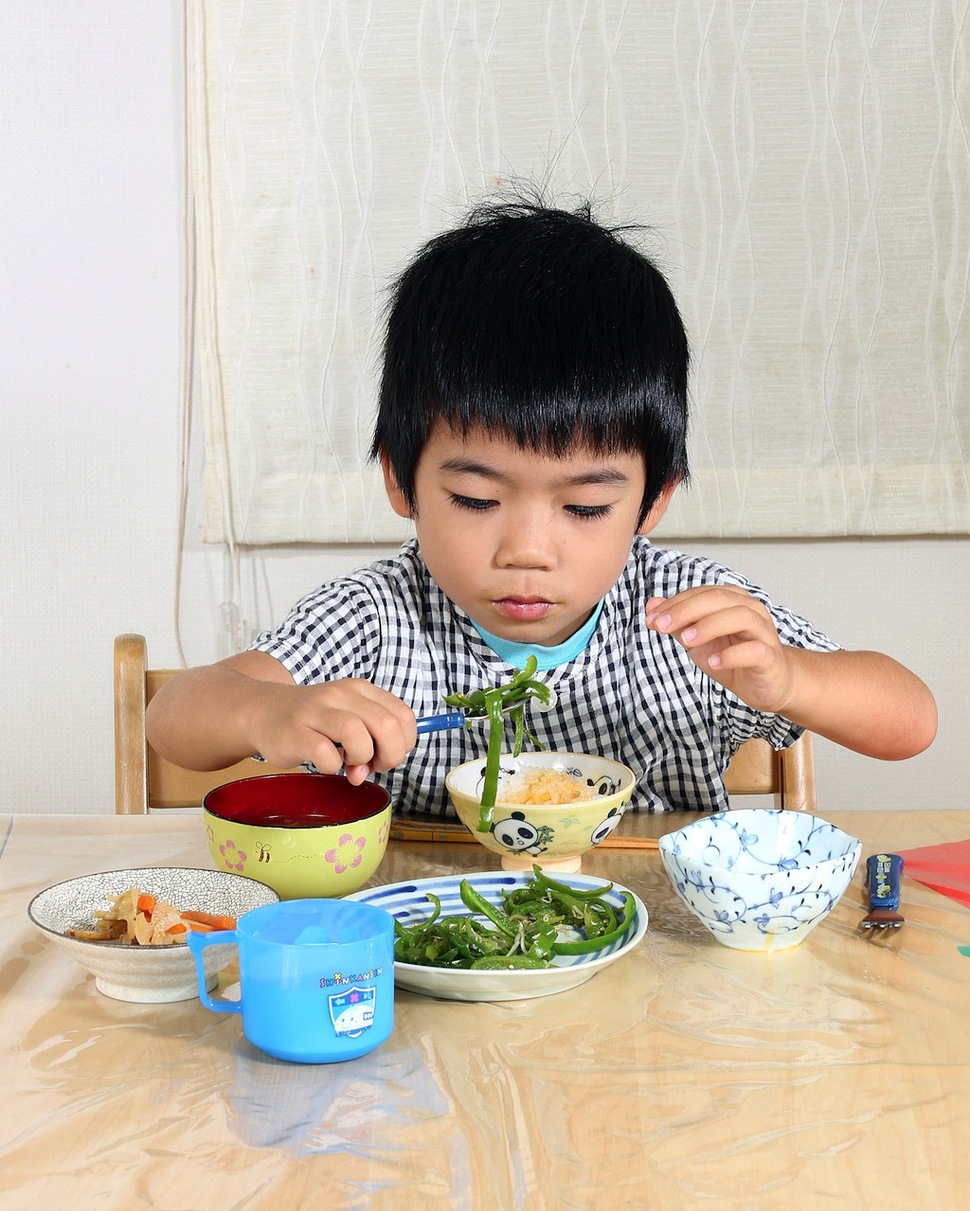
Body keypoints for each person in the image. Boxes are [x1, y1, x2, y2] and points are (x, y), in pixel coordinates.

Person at [146, 195, 937, 815]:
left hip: (653, 954)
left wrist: (789, 678)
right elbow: (173, 716)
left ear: (653, 500)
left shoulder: (688, 620)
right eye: (476, 497)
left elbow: (912, 719)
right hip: (428, 948)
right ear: (399, 479)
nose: (527, 548)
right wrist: (269, 713)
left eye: (585, 507)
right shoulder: (376, 618)